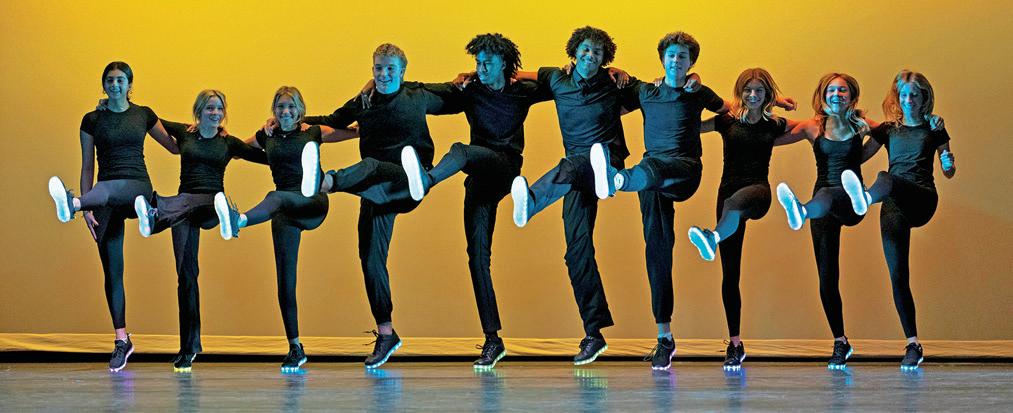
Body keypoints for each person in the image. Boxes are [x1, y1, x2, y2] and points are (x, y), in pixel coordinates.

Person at [286, 43, 456, 369]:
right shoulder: (364, 102)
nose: (384, 74)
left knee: (372, 165)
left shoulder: (417, 94)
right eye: (378, 68)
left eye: (391, 68)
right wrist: (291, 119)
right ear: (372, 69)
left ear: (402, 71)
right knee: (370, 259)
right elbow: (333, 120)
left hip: (409, 180)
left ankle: (325, 182)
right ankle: (387, 333)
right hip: (378, 190)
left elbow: (457, 97)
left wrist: (470, 80)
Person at [46, 61, 179, 372]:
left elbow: (174, 148)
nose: (115, 84)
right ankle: (122, 340)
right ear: (103, 84)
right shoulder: (92, 120)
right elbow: (87, 166)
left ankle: (75, 204)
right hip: (103, 198)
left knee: (108, 189)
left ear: (129, 85)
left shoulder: (143, 114)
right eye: (110, 80)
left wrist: (200, 128)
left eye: (120, 80)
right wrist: (89, 209)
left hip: (136, 189)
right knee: (112, 271)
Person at [214, 86, 353, 372]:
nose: (285, 112)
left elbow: (352, 132)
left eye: (291, 107)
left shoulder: (313, 132)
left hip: (312, 201)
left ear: (300, 109)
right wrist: (219, 135)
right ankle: (295, 347)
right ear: (274, 110)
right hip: (285, 211)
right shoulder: (268, 135)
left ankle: (239, 221)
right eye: (280, 107)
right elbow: (238, 149)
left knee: (274, 196)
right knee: (285, 280)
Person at [130, 89, 268, 372]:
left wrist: (279, 136)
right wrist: (119, 103)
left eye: (219, 109)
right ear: (198, 111)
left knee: (184, 204)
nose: (215, 113)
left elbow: (267, 158)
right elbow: (148, 117)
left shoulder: (228, 143)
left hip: (210, 207)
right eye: (209, 108)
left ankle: (158, 214)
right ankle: (188, 349)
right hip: (183, 211)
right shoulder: (185, 133)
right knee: (186, 276)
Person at [838, 70, 955, 370]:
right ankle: (913, 344)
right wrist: (855, 131)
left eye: (914, 94)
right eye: (903, 95)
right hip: (892, 205)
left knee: (885, 178)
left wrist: (948, 160)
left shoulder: (934, 128)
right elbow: (857, 158)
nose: (908, 100)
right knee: (898, 275)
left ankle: (865, 199)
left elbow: (948, 171)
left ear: (924, 97)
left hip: (921, 198)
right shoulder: (888, 130)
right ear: (897, 97)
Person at [684, 68, 800, 370]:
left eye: (759, 90)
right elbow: (691, 127)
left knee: (735, 205)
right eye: (748, 90)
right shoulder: (726, 121)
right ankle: (735, 344)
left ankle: (712, 237)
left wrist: (780, 103)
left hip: (757, 192)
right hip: (727, 192)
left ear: (767, 94)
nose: (752, 95)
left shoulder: (775, 124)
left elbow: (809, 126)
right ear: (740, 92)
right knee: (730, 273)